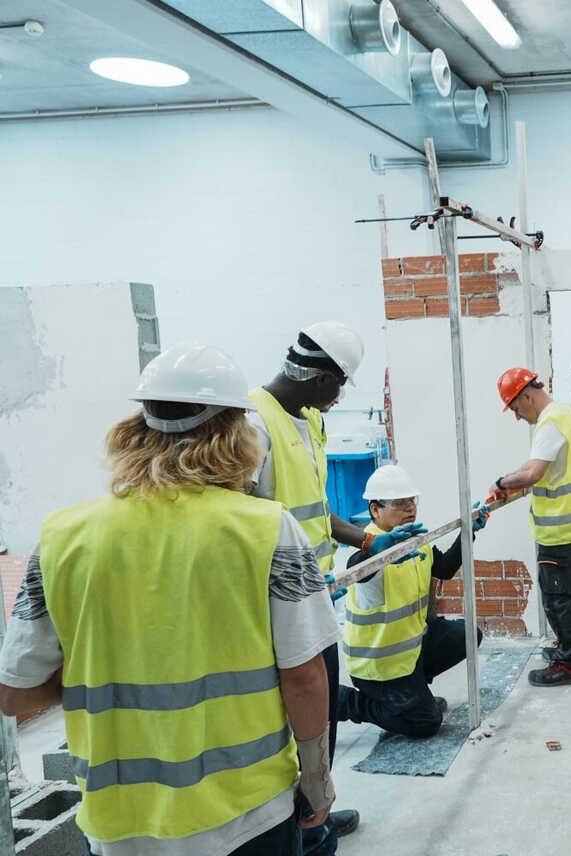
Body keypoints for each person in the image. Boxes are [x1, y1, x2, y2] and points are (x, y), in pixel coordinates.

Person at [0, 344, 338, 855]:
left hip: (118, 825)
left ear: (135, 428)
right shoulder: (268, 530)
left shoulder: (60, 538)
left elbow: (15, 694)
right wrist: (317, 782)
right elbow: (305, 677)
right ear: (235, 432)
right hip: (247, 813)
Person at [248, 323, 424, 851]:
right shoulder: (254, 425)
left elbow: (318, 513)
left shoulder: (308, 421)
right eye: (339, 386)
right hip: (277, 606)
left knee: (321, 716)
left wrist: (370, 540)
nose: (339, 398)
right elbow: (236, 525)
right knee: (293, 718)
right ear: (321, 379)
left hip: (319, 597)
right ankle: (299, 831)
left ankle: (315, 812)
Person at [337, 464, 489, 737]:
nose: (409, 508)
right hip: (378, 665)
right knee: (425, 723)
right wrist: (378, 552)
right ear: (375, 510)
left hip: (411, 650)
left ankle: (414, 694)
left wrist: (469, 531)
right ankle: (346, 702)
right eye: (399, 503)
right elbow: (356, 568)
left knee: (468, 634)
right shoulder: (371, 546)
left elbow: (444, 568)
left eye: (411, 500)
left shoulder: (415, 538)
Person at [488, 368, 571, 686]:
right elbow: (534, 466)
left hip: (560, 529)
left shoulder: (550, 423)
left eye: (515, 408)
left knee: (558, 597)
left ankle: (570, 665)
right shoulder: (567, 416)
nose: (517, 417)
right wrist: (512, 482)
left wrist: (501, 483)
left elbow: (533, 474)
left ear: (527, 396)